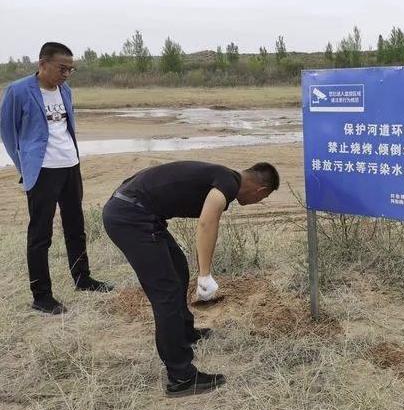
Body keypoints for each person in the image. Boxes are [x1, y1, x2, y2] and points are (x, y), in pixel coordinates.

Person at [102, 160, 279, 397]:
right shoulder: (228, 182)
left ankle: (185, 333)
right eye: (263, 199)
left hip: (137, 211)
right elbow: (207, 222)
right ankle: (181, 377)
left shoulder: (222, 175)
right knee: (166, 293)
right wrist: (205, 274)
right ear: (261, 191)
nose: (259, 202)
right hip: (131, 217)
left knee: (177, 269)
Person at [0, 42, 113, 315]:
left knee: (76, 227)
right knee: (40, 234)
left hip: (70, 165)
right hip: (42, 171)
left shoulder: (66, 90)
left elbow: (65, 127)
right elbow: (7, 132)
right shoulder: (18, 91)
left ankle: (82, 278)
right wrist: (24, 166)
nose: (66, 74)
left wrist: (72, 157)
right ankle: (41, 296)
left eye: (70, 69)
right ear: (43, 64)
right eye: (62, 68)